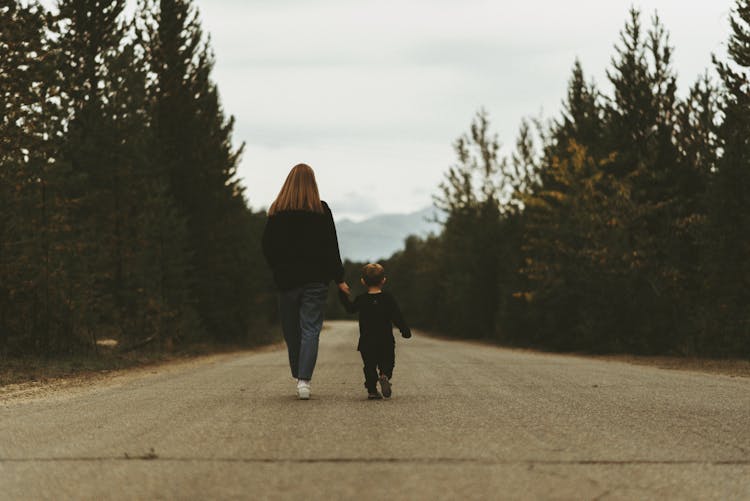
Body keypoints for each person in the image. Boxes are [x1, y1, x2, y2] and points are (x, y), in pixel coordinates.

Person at [262, 163, 350, 400]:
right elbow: (332, 247)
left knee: (291, 332)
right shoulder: (321, 211)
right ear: (313, 183)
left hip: (287, 282)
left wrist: (277, 271)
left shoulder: (277, 211)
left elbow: (267, 247)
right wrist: (339, 278)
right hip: (316, 281)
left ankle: (300, 376)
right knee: (310, 329)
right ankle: (304, 379)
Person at [339, 263, 411, 400]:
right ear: (383, 280)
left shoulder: (361, 299)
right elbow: (397, 316)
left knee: (369, 366)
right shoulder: (388, 298)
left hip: (367, 341)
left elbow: (350, 309)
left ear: (363, 281)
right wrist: (405, 330)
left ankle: (372, 390)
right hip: (386, 340)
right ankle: (384, 375)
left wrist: (343, 294)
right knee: (388, 361)